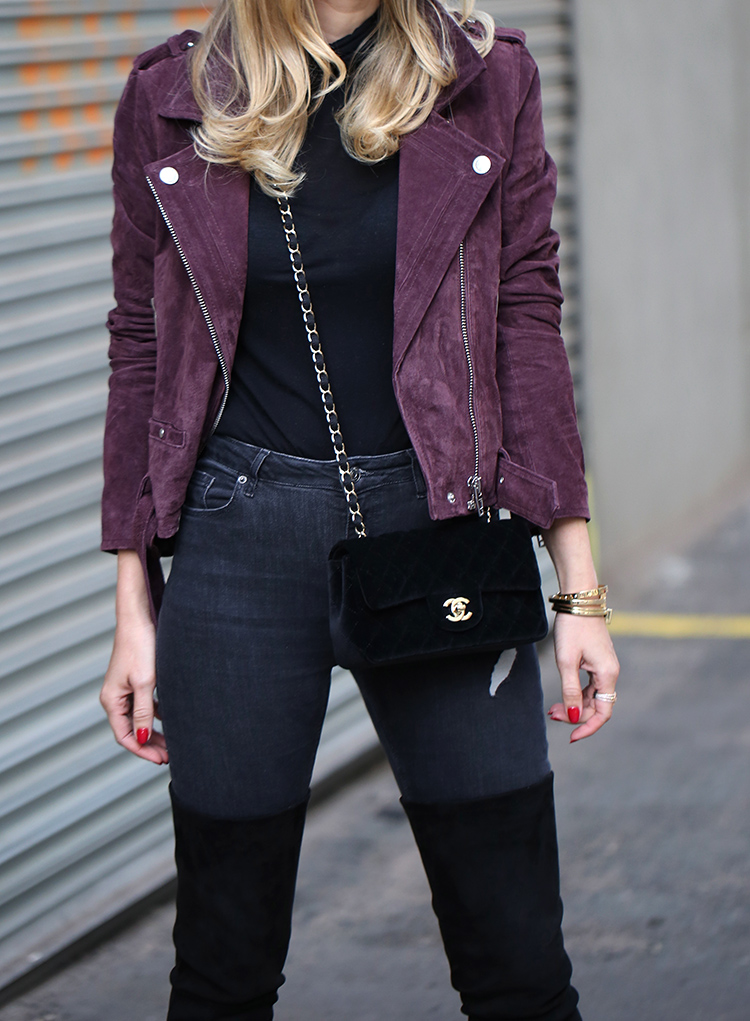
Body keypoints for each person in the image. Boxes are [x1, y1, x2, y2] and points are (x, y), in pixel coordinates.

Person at [99, 0, 620, 1018]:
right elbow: (140, 347)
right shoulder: (169, 97)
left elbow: (526, 320)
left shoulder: (482, 78)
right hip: (241, 538)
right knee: (222, 971)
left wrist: (579, 587)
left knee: (517, 962)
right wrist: (135, 603)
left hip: (441, 526)